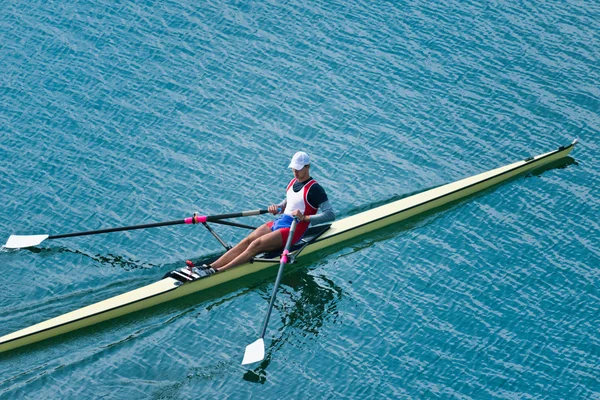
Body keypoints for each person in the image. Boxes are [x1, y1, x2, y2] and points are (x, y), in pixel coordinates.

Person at [194, 151, 335, 275]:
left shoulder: (316, 189)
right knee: (248, 240)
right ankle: (210, 266)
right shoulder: (293, 182)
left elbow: (330, 214)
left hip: (295, 229)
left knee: (256, 245)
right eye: (293, 169)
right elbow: (289, 201)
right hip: (280, 222)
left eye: (298, 169)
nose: (295, 172)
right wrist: (278, 208)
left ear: (307, 167)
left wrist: (304, 218)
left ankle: (219, 271)